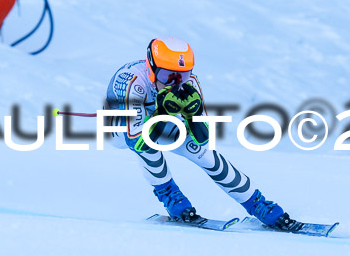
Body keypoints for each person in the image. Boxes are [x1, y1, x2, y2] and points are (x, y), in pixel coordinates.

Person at [105, 36, 296, 230]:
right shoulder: (132, 82)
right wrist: (163, 113)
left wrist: (194, 114)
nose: (175, 82)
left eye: (183, 75)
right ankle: (170, 195)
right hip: (120, 128)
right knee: (148, 148)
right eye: (167, 75)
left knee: (202, 152)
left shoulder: (190, 84)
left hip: (156, 122)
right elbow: (137, 141)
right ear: (152, 69)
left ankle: (257, 203)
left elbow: (203, 138)